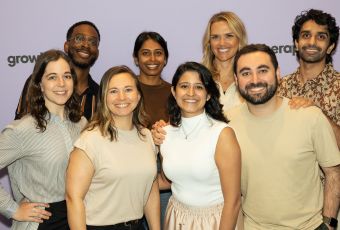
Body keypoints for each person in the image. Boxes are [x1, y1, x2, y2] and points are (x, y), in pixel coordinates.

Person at [229, 44, 339, 229]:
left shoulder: (309, 117)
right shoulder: (226, 124)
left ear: (277, 73)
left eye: (263, 70)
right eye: (246, 73)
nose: (255, 80)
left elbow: (334, 172)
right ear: (236, 79)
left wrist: (328, 223)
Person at [0, 49, 87, 230]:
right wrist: (12, 209)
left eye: (67, 76)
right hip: (43, 221)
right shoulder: (23, 129)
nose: (61, 84)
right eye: (52, 77)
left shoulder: (81, 123)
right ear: (40, 83)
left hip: (79, 215)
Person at [66, 66, 160, 230]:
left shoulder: (147, 137)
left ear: (138, 95)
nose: (121, 97)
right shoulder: (90, 140)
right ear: (104, 98)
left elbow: (151, 190)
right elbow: (74, 198)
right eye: (113, 91)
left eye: (128, 90)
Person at [159, 62, 241, 230]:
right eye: (184, 86)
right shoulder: (165, 134)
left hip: (215, 221)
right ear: (174, 91)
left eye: (199, 87)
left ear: (208, 94)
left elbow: (233, 201)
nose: (191, 93)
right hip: (176, 218)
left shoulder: (222, 134)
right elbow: (168, 180)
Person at [277, 9, 340, 148]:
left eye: (321, 37)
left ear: (330, 47)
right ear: (296, 43)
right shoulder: (280, 86)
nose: (312, 42)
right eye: (306, 35)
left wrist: (317, 114)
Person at [15, 21, 100, 121]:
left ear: (97, 52)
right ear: (66, 46)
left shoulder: (100, 94)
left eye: (93, 42)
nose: (86, 45)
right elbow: (21, 124)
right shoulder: (41, 80)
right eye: (79, 38)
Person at [133, 31, 171, 229]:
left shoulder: (175, 92)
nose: (152, 59)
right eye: (146, 53)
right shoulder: (126, 90)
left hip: (165, 175)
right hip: (132, 168)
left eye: (158, 53)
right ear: (136, 58)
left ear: (165, 58)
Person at [202, 11, 247, 112]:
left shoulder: (251, 77)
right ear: (209, 42)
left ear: (239, 39)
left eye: (229, 36)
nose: (222, 43)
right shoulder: (199, 76)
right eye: (215, 37)